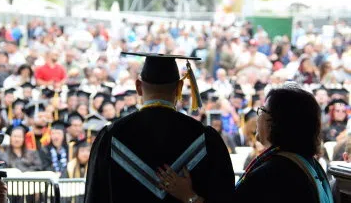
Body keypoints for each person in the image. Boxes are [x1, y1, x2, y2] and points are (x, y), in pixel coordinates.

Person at [85, 52, 235, 203]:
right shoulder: (205, 138)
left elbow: (95, 196)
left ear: (138, 87)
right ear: (179, 88)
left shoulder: (111, 136)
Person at [158, 84, 333, 203]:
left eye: (262, 110)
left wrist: (189, 196)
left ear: (276, 122)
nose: (258, 117)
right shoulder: (309, 164)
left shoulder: (274, 172)